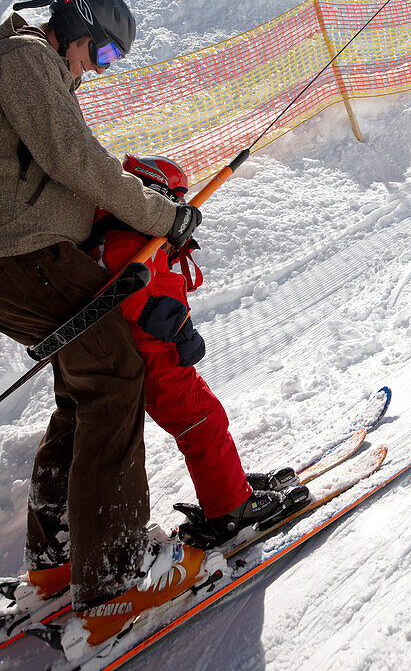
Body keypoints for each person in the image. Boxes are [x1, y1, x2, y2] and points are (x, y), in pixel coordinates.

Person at [0, 0, 206, 647]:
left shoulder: (29, 64)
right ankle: (112, 581)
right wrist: (161, 215)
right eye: (104, 53)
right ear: (75, 28)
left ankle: (59, 557)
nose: (98, 68)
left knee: (81, 389)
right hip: (24, 254)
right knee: (116, 378)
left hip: (24, 254)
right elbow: (76, 161)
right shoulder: (26, 58)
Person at [87, 152, 307, 557]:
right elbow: (135, 299)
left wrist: (173, 247)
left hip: (158, 357)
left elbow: (155, 275)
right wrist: (179, 327)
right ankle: (230, 509)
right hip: (155, 361)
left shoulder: (130, 234)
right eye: (174, 199)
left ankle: (228, 486)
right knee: (202, 424)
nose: (177, 209)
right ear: (151, 192)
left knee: (204, 420)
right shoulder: (125, 242)